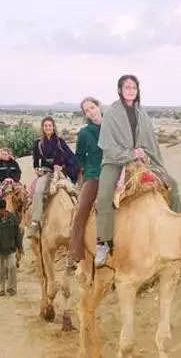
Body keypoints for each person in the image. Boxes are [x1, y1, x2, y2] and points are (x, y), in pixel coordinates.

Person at [95, 74, 181, 266]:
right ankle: (103, 242)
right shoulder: (110, 113)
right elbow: (107, 145)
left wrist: (144, 154)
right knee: (103, 197)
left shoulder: (142, 113)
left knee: (172, 184)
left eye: (133, 87)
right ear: (120, 90)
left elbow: (150, 142)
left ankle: (177, 231)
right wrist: (129, 153)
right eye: (127, 87)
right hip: (115, 161)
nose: (130, 90)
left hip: (141, 159)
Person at [26, 116, 78, 240]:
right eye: (45, 126)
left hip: (60, 172)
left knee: (74, 192)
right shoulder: (38, 143)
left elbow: (70, 156)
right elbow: (35, 160)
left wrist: (63, 166)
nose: (48, 127)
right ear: (43, 128)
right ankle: (35, 222)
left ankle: (77, 222)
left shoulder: (60, 141)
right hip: (46, 172)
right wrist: (36, 169)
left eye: (50, 125)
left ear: (53, 127)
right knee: (38, 192)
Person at [69, 97, 103, 263]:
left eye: (92, 107)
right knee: (81, 208)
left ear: (99, 106)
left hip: (117, 171)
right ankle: (76, 252)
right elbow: (79, 157)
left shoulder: (111, 126)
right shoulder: (84, 133)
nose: (91, 111)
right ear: (85, 115)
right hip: (94, 174)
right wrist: (84, 172)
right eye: (87, 110)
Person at [0, 199, 23, 296]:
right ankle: (2, 288)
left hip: (11, 249)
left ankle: (11, 288)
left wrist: (20, 248)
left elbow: (17, 234)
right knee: (1, 271)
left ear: (3, 209)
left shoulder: (12, 218)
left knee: (12, 267)